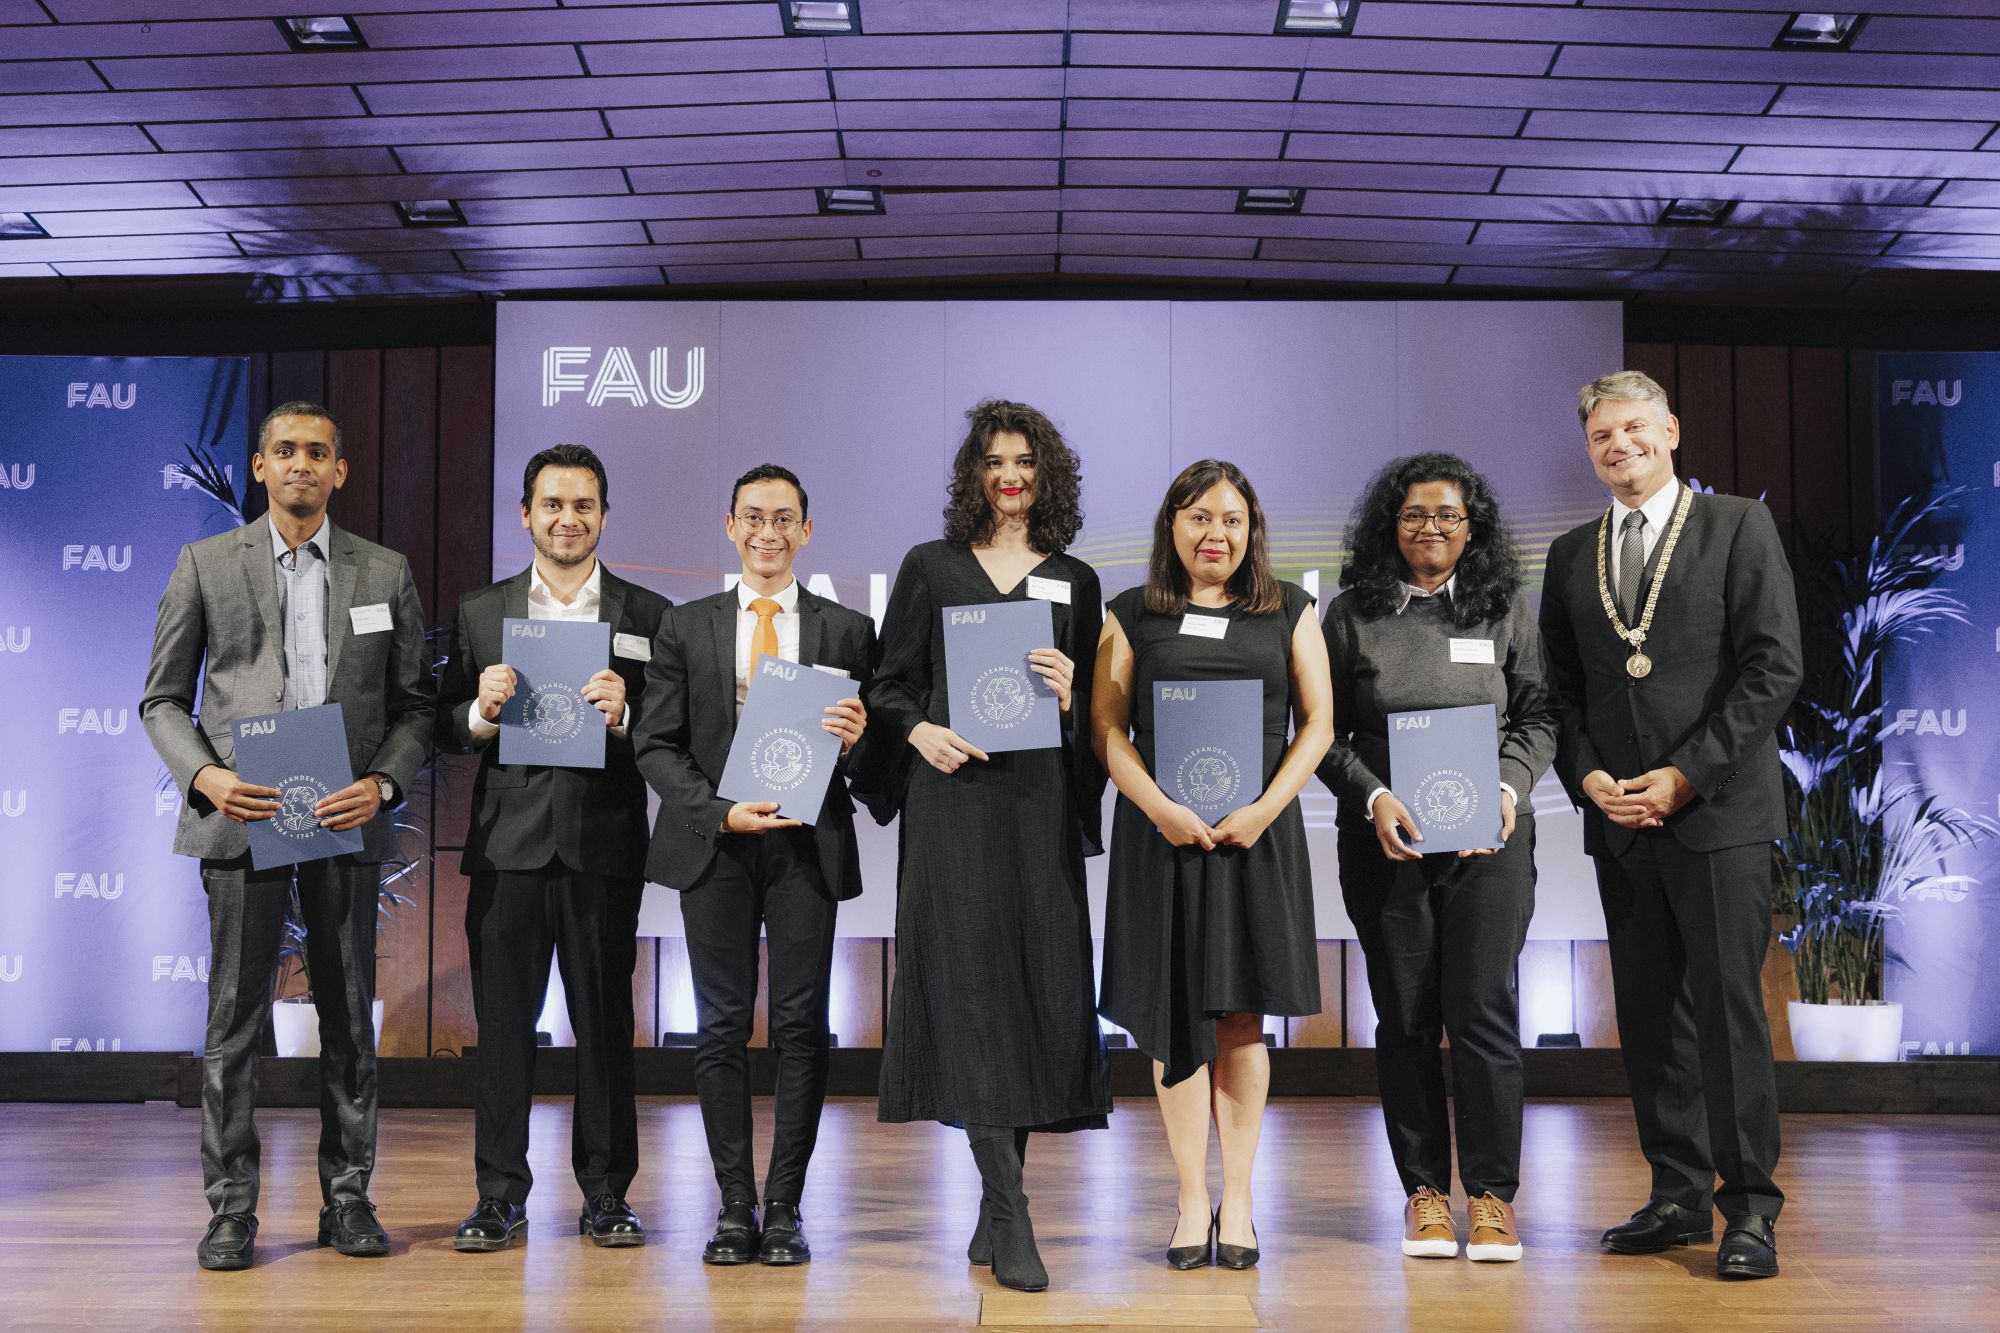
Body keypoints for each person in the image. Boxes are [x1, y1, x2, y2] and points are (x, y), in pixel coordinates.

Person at [140, 401, 435, 1272]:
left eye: (317, 452)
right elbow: (161, 699)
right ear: (261, 466)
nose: (300, 464)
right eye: (284, 451)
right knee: (233, 1022)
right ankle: (231, 1210)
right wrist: (205, 775)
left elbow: (417, 706)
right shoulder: (204, 565)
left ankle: (347, 1199)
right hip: (245, 818)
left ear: (339, 471)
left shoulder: (385, 571)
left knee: (347, 1018)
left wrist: (382, 783)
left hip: (343, 821)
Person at [1539, 370, 1801, 1281]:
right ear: (1589, 449)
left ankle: (1750, 1210)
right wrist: (1589, 776)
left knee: (1730, 1017)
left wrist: (1686, 774)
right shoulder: (1572, 553)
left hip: (1717, 813)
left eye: (1638, 428)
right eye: (1605, 435)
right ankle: (1677, 1192)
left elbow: (1774, 669)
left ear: (1673, 430)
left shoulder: (1736, 525)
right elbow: (1562, 692)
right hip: (1621, 821)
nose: (1623, 445)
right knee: (1652, 1020)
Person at [861, 400, 1110, 1294]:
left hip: (1037, 807)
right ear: (974, 474)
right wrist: (921, 731)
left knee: (1034, 990)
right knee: (970, 992)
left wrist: (1077, 689)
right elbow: (889, 686)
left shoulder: (1075, 580)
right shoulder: (931, 567)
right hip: (954, 801)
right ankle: (1010, 1209)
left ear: (1048, 475)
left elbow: (1098, 722)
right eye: (994, 461)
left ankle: (994, 1192)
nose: (1010, 476)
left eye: (1026, 462)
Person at [1316, 452, 1556, 1264]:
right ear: (1392, 524)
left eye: (1449, 516)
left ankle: (1491, 1198)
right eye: (1416, 514)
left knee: (1483, 1011)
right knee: (1407, 1018)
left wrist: (1511, 785)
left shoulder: (1505, 610)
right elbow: (1323, 736)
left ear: (1473, 527)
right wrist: (1373, 795)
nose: (1432, 528)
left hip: (1489, 840)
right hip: (1389, 843)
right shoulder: (1351, 614)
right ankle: (1423, 1191)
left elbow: (1540, 714)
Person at [1095, 458, 1332, 1272]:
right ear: (1172, 526)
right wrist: (1159, 808)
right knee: (1175, 1014)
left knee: (1242, 1016)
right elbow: (1107, 729)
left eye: (1231, 518)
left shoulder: (1290, 610)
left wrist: (1264, 809)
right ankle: (1192, 1196)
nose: (1215, 533)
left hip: (1254, 840)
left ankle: (1242, 1198)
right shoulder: (1131, 614)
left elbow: (1320, 723)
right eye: (1198, 517)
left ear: (1251, 530)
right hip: (1163, 840)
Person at [635, 464, 874, 1267]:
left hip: (807, 844)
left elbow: (873, 768)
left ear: (807, 531)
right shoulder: (685, 624)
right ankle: (734, 1203)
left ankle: (785, 1207)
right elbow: (655, 744)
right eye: (753, 518)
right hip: (719, 844)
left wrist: (859, 737)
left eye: (784, 519)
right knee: (722, 1027)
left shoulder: (846, 630)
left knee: (803, 1026)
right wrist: (717, 811)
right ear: (729, 526)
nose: (767, 533)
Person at [434, 443, 669, 1253]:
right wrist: (478, 712)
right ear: (526, 513)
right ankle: (499, 1194)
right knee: (503, 1028)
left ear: (604, 515)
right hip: (508, 850)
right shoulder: (480, 611)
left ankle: (607, 1193)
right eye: (552, 504)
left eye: (583, 505)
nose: (568, 518)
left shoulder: (647, 614)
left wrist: (630, 717)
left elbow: (674, 739)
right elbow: (438, 722)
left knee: (605, 1025)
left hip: (603, 848)